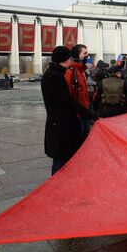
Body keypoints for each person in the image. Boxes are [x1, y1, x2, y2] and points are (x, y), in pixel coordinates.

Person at [42, 46, 97, 174]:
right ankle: (56, 187)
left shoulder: (54, 73)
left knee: (63, 158)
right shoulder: (55, 76)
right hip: (61, 124)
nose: (71, 61)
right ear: (63, 59)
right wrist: (90, 114)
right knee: (61, 160)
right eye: (69, 58)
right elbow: (67, 101)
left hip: (61, 123)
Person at [64, 44, 91, 137]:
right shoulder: (70, 72)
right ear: (77, 56)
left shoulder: (82, 71)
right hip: (77, 116)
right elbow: (67, 96)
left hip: (84, 113)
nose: (87, 56)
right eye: (85, 53)